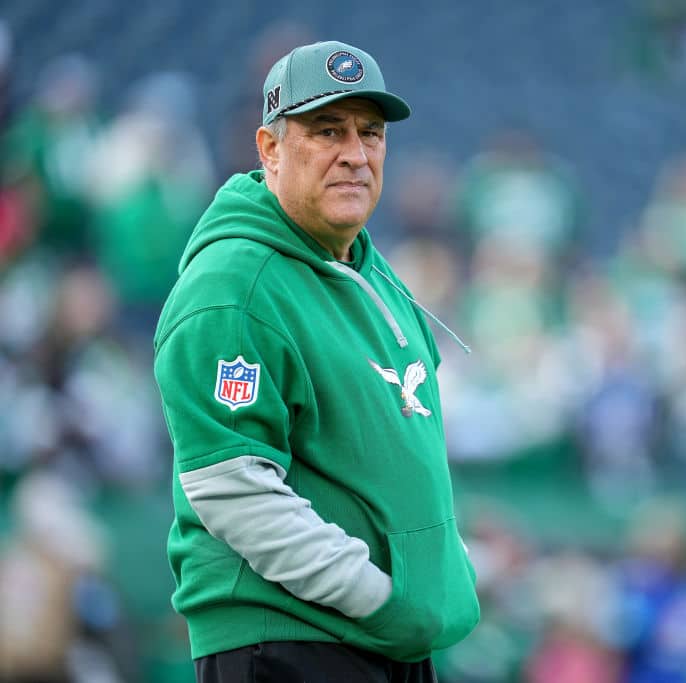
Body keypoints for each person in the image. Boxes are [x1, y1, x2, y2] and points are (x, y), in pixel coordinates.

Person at [152, 40, 480, 682]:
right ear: (270, 149)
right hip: (290, 641)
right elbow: (233, 492)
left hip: (382, 641)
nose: (355, 154)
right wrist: (382, 597)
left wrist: (442, 570)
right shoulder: (233, 284)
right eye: (327, 130)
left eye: (371, 133)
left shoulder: (364, 265)